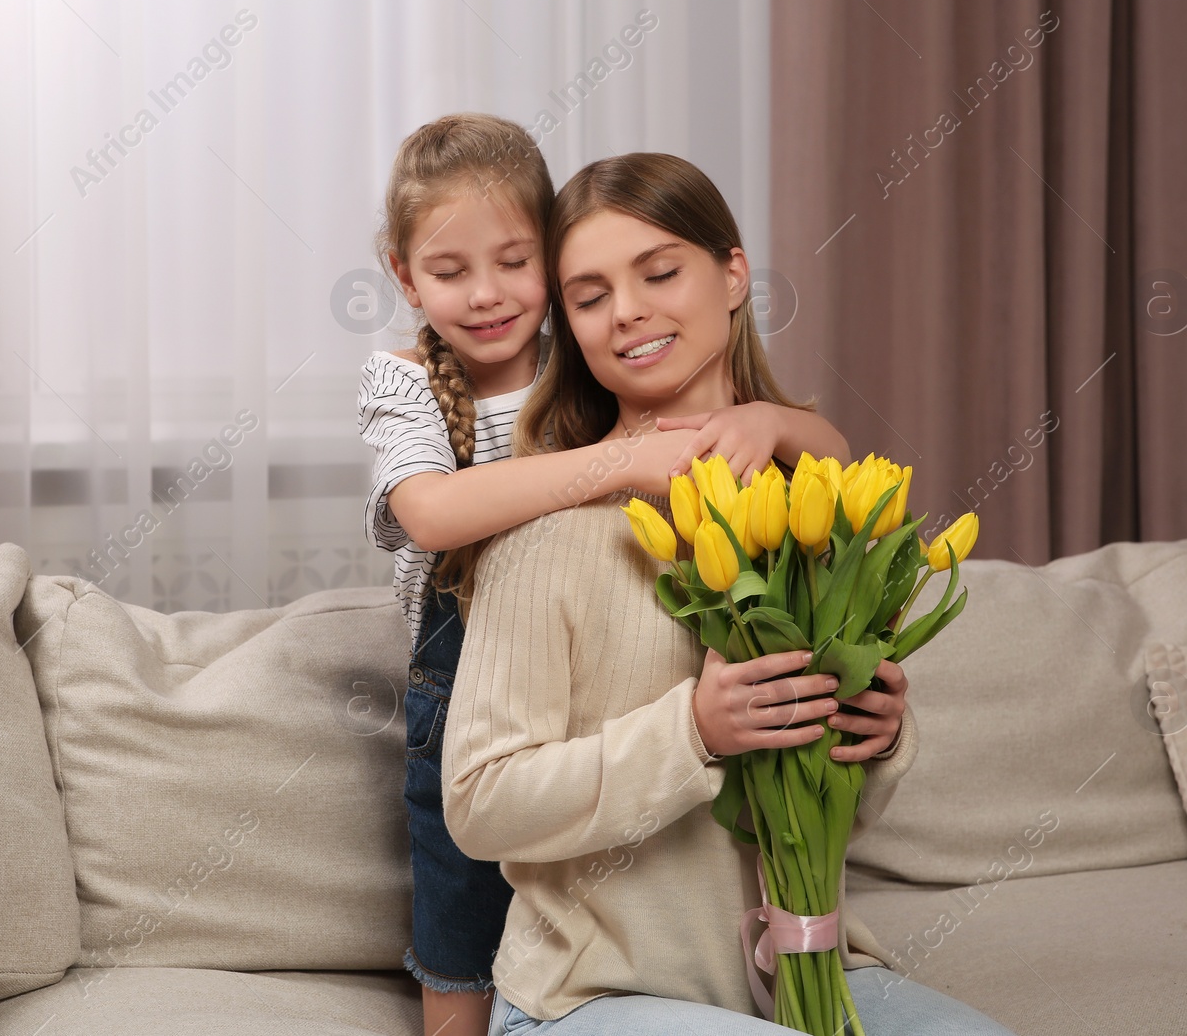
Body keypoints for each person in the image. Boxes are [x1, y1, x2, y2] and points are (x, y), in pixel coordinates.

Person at [441, 152, 1017, 1035]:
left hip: (794, 975)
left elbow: (827, 813)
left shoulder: (815, 518)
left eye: (661, 271)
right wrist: (693, 731)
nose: (628, 309)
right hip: (590, 1001)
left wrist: (878, 735)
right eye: (590, 297)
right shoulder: (550, 531)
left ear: (735, 273)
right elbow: (478, 803)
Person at [357, 116, 858, 1036]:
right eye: (448, 270)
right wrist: (623, 467)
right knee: (457, 927)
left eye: (514, 264)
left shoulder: (590, 381)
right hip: (451, 662)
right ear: (404, 276)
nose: (486, 295)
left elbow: (845, 461)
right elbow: (429, 513)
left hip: (750, 944)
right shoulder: (416, 385)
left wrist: (773, 428)